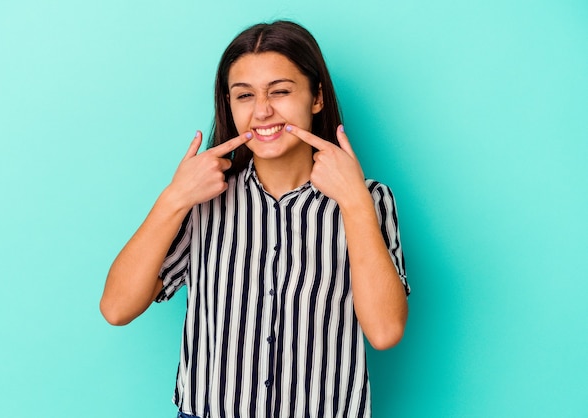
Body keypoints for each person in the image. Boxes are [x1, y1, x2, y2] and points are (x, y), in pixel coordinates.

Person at [100, 20, 410, 418]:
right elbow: (116, 308)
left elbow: (385, 332)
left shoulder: (370, 199)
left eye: (280, 91)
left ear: (316, 97)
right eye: (244, 95)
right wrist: (174, 198)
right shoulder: (201, 200)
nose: (262, 111)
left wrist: (354, 204)